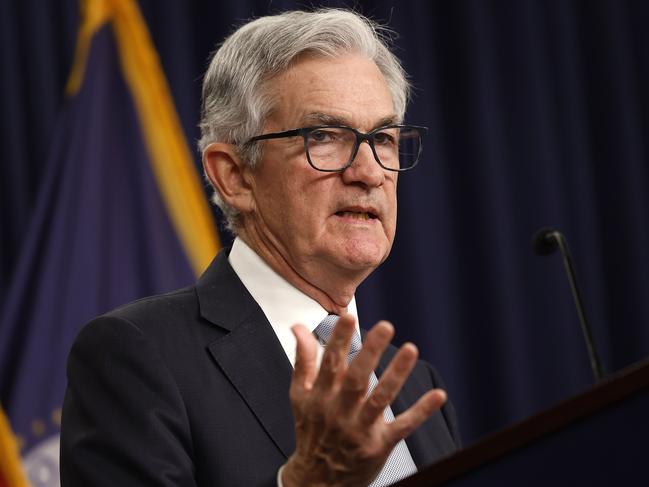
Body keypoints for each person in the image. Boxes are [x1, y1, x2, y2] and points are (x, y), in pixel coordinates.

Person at [60, 8, 460, 487]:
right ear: (234, 175)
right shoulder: (138, 357)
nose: (369, 172)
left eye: (382, 138)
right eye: (325, 137)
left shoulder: (416, 386)